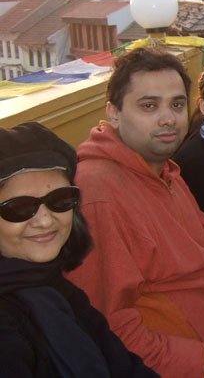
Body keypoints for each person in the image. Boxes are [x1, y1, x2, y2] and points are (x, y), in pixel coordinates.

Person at [65, 47, 204, 378]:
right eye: (149, 106)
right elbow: (108, 324)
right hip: (194, 365)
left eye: (177, 105)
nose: (168, 118)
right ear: (113, 112)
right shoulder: (100, 194)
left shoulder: (167, 173)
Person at [0, 122, 156, 377]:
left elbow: (124, 365)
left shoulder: (54, 286)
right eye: (19, 207)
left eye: (60, 200)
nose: (45, 221)